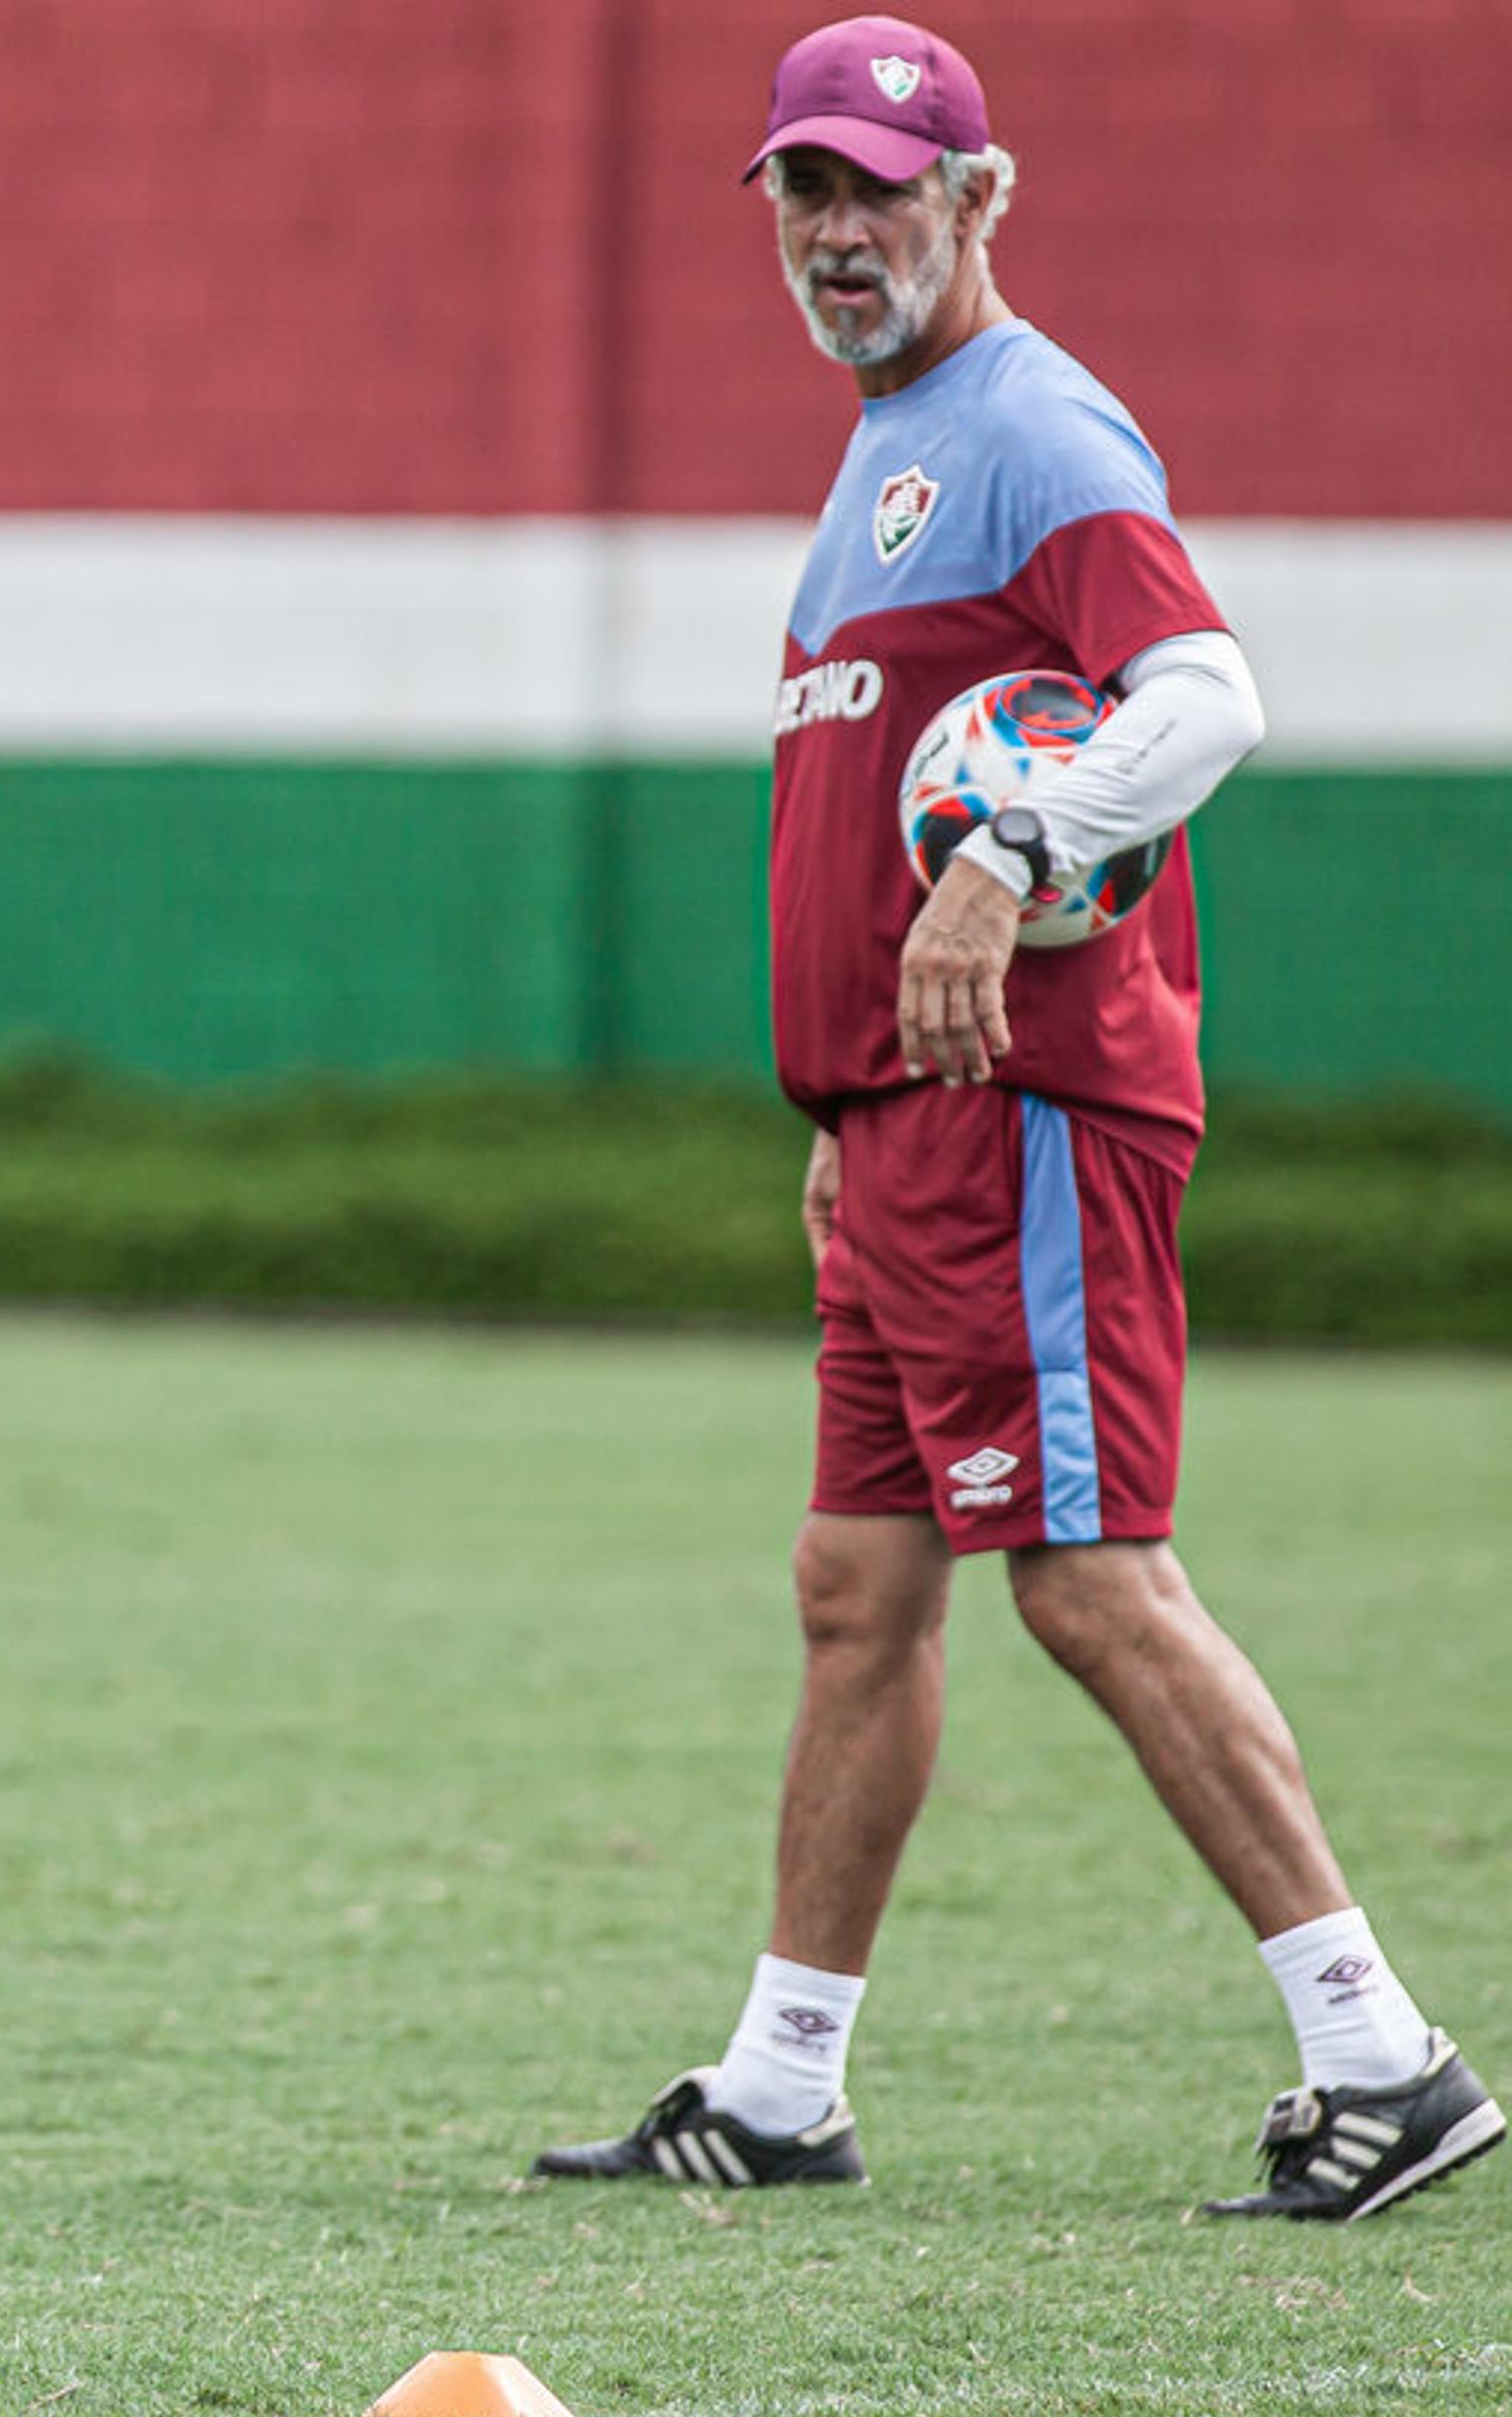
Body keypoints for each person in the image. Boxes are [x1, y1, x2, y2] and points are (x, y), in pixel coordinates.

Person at [534, 17, 1495, 2219]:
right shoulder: (896, 445)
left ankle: (1389, 2053)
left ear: (983, 197)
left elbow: (1207, 698)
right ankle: (784, 2082)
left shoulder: (1033, 425)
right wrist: (844, 1104)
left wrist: (1009, 854)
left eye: (882, 187)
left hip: (1033, 1110)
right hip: (909, 1128)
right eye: (806, 190)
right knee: (860, 1584)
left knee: (1082, 1568)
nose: (840, 230)